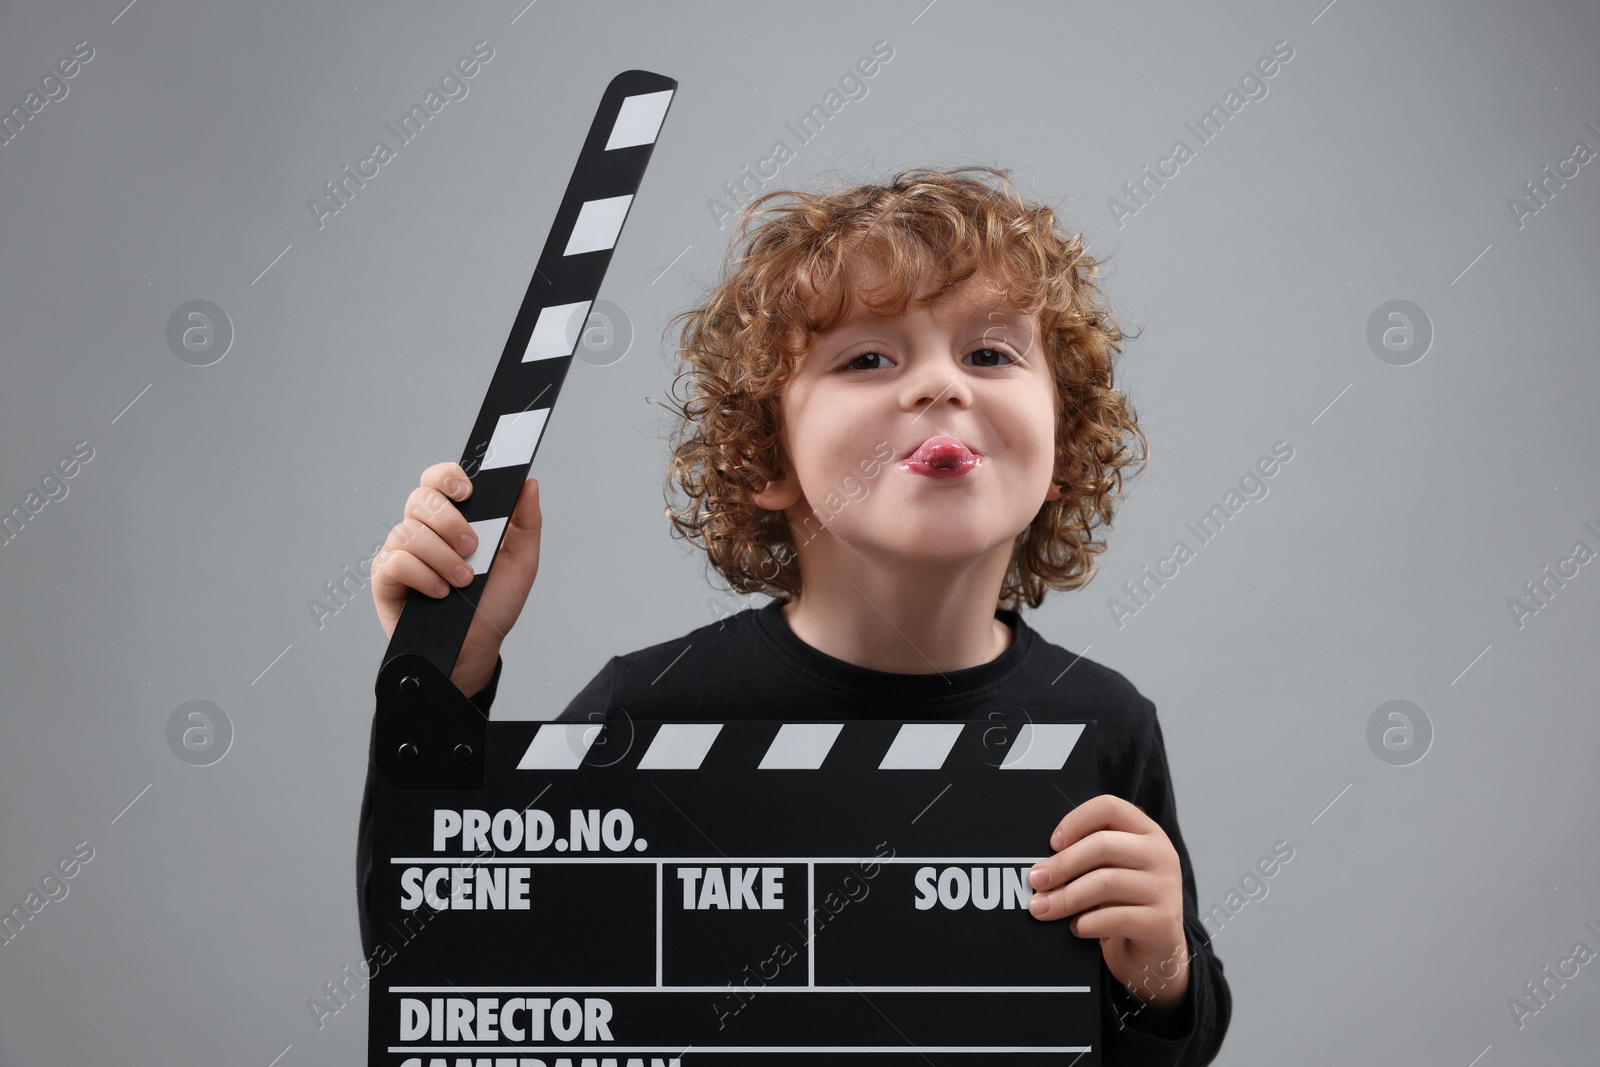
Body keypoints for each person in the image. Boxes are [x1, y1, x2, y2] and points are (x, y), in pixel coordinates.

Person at [358, 166, 1230, 1065]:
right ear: (762, 460)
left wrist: (1161, 971)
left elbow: (1159, 1046)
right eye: (868, 357)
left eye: (990, 354)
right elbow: (450, 974)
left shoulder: (1105, 726)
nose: (941, 384)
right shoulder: (648, 709)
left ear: (1060, 440)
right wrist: (443, 683)